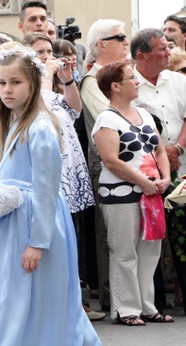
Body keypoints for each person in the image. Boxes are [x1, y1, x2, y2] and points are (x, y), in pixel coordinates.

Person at [0, 45, 100, 345]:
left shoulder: (40, 128)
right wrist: (2, 239)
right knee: (14, 300)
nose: (7, 90)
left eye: (16, 82)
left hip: (39, 223)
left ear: (34, 83)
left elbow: (47, 189)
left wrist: (38, 242)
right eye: (2, 83)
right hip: (15, 223)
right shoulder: (13, 124)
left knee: (43, 305)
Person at [92, 60, 173, 325]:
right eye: (131, 78)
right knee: (125, 252)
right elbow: (111, 160)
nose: (137, 82)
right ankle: (126, 309)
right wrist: (145, 181)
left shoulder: (144, 114)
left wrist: (165, 178)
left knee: (150, 252)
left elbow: (159, 149)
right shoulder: (106, 119)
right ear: (115, 86)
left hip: (151, 193)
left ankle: (147, 306)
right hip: (122, 194)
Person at [131, 28, 186, 314]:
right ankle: (153, 305)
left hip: (182, 167)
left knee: (183, 236)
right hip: (148, 172)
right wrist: (162, 157)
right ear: (142, 56)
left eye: (168, 47)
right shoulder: (129, 84)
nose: (168, 52)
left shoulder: (177, 80)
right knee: (149, 239)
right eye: (161, 49)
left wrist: (177, 148)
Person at [79, 19, 130, 313]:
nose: (126, 42)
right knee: (110, 236)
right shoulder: (92, 80)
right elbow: (116, 121)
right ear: (100, 45)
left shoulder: (123, 76)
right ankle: (115, 300)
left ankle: (133, 299)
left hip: (133, 161)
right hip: (107, 166)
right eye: (120, 37)